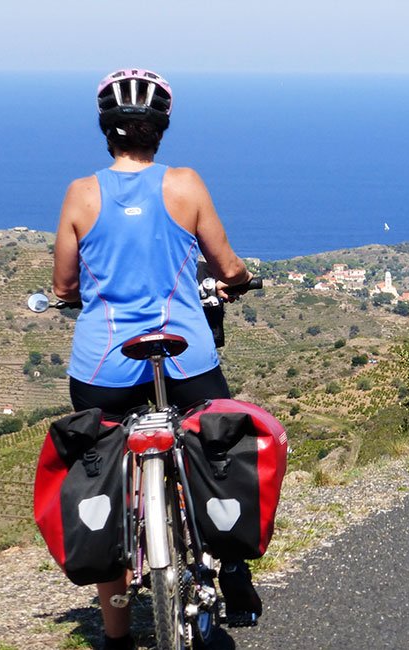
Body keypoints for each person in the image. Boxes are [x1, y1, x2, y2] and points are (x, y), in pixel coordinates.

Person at [52, 68, 261, 650]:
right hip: (184, 357)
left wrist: (74, 298)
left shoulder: (81, 194)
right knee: (221, 451)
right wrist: (237, 283)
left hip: (104, 366)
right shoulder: (186, 185)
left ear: (107, 130)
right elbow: (227, 266)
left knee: (103, 493)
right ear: (160, 131)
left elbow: (64, 284)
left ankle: (116, 637)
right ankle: (234, 568)